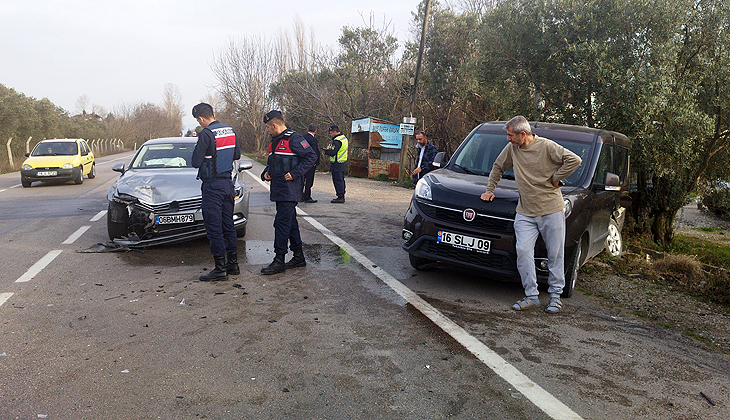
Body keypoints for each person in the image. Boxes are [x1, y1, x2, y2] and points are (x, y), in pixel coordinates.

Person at [480, 116, 581, 313]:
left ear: (522, 134)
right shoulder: (512, 149)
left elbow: (574, 160)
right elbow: (498, 166)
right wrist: (489, 189)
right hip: (525, 212)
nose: (508, 139)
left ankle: (555, 296)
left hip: (550, 210)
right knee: (524, 252)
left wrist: (556, 177)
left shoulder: (547, 147)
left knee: (555, 254)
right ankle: (532, 295)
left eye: (510, 135)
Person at [260, 110, 317, 275]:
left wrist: (295, 173)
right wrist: (265, 172)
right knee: (290, 223)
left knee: (281, 223)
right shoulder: (275, 141)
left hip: (289, 190)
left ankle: (279, 260)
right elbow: (274, 162)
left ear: (274, 125)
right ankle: (298, 256)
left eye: (268, 128)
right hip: (279, 189)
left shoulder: (295, 138)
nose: (267, 130)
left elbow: (311, 157)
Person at [191, 103, 241, 281]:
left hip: (212, 186)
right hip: (228, 184)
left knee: (214, 227)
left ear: (201, 118)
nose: (199, 122)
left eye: (198, 120)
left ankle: (220, 269)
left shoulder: (206, 134)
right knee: (228, 225)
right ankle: (233, 265)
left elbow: (195, 162)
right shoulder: (230, 131)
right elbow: (237, 155)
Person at [324, 125, 348, 203]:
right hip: (342, 162)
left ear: (335, 132)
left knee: (337, 180)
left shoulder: (337, 141)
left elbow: (333, 152)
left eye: (331, 133)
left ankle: (340, 196)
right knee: (341, 180)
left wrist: (327, 151)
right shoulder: (344, 138)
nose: (331, 135)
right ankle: (341, 195)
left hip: (336, 163)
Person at [301, 123, 320, 203]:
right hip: (310, 163)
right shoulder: (313, 140)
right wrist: (316, 161)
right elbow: (315, 152)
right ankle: (307, 196)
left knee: (302, 179)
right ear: (315, 131)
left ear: (307, 129)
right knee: (309, 180)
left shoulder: (302, 138)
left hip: (302, 162)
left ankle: (300, 195)